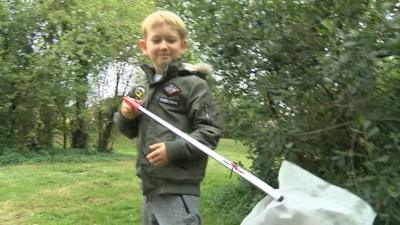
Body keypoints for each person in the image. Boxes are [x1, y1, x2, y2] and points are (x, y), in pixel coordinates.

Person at [114, 10, 223, 225]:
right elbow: (129, 130)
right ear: (144, 47)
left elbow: (211, 130)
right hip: (150, 186)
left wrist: (173, 150)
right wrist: (125, 116)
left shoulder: (194, 85)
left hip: (179, 186)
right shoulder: (141, 88)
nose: (164, 45)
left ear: (182, 45)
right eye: (156, 40)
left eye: (171, 40)